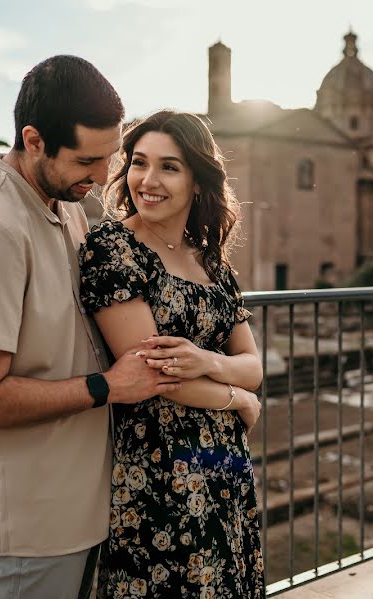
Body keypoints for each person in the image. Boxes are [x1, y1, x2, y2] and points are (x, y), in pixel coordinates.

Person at [0, 55, 181, 599]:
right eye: (88, 160)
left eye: (109, 158)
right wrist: (107, 386)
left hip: (73, 508)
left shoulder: (62, 201)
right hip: (31, 521)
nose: (100, 178)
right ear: (34, 140)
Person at [79, 109, 265, 598]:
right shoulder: (113, 247)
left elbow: (253, 366)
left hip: (225, 466)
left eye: (169, 166)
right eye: (139, 163)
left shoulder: (212, 261)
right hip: (158, 469)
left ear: (198, 181)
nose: (148, 180)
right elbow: (156, 374)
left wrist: (210, 363)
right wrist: (238, 401)